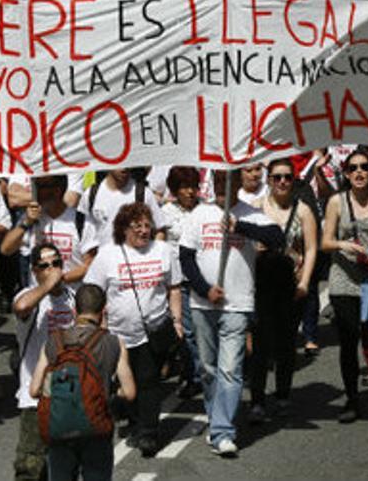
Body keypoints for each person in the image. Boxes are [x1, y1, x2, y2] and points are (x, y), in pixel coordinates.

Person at [179, 170, 284, 457]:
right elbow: (186, 257)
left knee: (230, 369)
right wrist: (203, 289)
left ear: (238, 184)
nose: (225, 186)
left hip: (237, 305)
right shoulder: (199, 215)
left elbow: (277, 236)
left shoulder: (249, 213)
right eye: (220, 180)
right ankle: (216, 420)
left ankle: (224, 430)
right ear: (212, 183)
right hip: (203, 305)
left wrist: (242, 228)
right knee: (208, 369)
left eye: (232, 180)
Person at [83, 202, 182, 456]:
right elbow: (93, 292)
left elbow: (173, 288)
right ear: (123, 228)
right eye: (136, 226)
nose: (143, 231)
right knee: (127, 384)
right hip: (118, 334)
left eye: (147, 225)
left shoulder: (163, 250)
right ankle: (132, 418)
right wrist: (98, 326)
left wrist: (178, 321)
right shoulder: (108, 255)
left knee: (149, 381)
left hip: (154, 330)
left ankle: (148, 432)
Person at [29, 283, 134, 481]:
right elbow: (129, 392)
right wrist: (110, 391)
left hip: (59, 427)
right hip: (96, 427)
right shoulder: (113, 343)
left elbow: (34, 390)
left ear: (75, 310)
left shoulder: (54, 342)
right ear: (104, 311)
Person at [248, 158, 318, 422]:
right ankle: (257, 400)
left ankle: (283, 396)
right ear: (268, 179)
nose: (282, 182)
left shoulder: (303, 211)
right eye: (277, 177)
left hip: (290, 284)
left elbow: (311, 249)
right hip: (261, 283)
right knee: (260, 344)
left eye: (287, 177)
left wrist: (304, 283)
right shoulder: (256, 208)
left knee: (286, 344)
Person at [321, 147, 368, 423]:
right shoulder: (337, 201)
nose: (359, 172)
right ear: (346, 174)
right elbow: (325, 242)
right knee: (349, 341)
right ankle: (352, 398)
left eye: (364, 167)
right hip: (344, 279)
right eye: (353, 168)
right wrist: (343, 243)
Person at [11, 242, 75, 481]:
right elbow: (22, 307)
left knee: (66, 462)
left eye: (56, 263)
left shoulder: (74, 298)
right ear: (35, 271)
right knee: (30, 463)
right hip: (35, 395)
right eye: (44, 266)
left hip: (69, 393)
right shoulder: (28, 296)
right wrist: (48, 285)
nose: (53, 269)